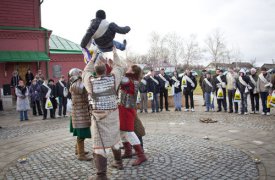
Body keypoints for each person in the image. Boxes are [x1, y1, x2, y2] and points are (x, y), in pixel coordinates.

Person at [82, 47, 126, 179]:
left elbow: (85, 72)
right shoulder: (112, 79)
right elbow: (119, 67)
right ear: (106, 69)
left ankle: (101, 176)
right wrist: (114, 53)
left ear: (95, 72)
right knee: (115, 139)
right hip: (112, 115)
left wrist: (94, 57)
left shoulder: (91, 82)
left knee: (99, 146)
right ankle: (118, 162)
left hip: (99, 117)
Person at [118, 64, 147, 166]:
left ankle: (141, 155)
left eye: (130, 68)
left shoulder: (129, 80)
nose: (127, 68)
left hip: (127, 110)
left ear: (133, 72)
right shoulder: (131, 80)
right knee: (122, 131)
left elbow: (116, 77)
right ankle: (128, 151)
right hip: (123, 108)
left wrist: (113, 66)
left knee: (129, 132)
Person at [69, 68, 92, 161]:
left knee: (80, 134)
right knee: (81, 135)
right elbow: (84, 87)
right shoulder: (76, 84)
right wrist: (86, 75)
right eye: (80, 73)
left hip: (81, 112)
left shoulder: (77, 83)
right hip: (79, 114)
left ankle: (78, 150)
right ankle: (81, 155)